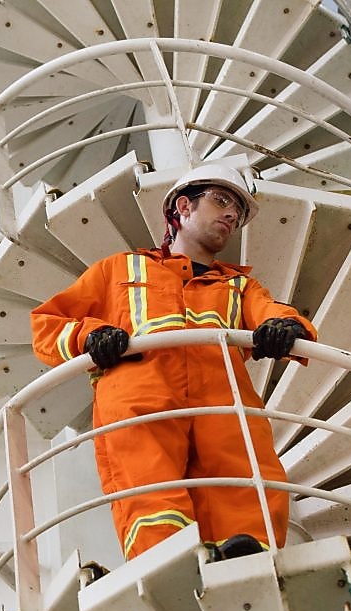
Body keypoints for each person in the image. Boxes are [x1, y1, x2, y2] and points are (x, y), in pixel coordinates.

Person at [30, 164, 317, 561]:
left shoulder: (238, 287)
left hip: (223, 402)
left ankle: (250, 564)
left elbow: (274, 312)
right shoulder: (120, 269)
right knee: (149, 485)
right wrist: (89, 336)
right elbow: (47, 323)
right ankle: (167, 564)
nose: (231, 215)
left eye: (236, 210)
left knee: (245, 480)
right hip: (139, 398)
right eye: (221, 201)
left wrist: (285, 329)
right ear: (183, 207)